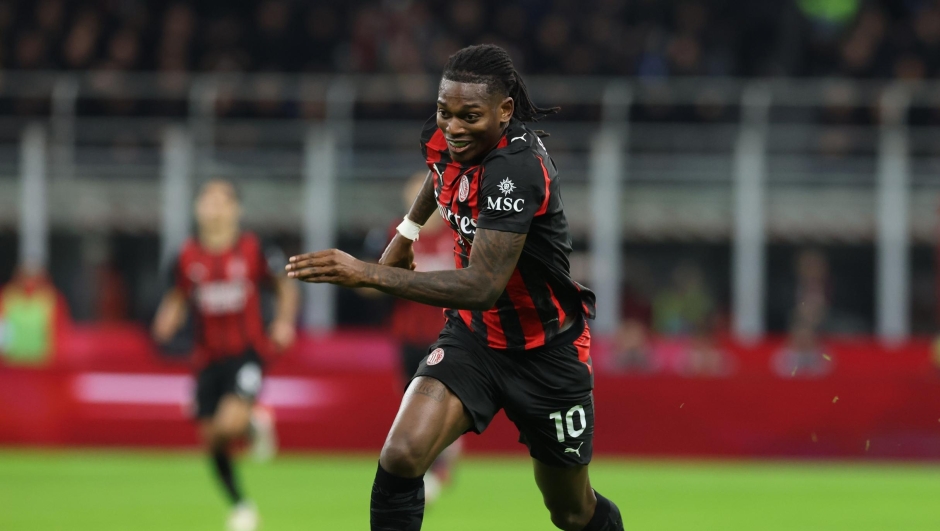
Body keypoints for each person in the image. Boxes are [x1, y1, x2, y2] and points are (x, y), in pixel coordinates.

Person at [287, 44, 624, 531]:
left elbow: (482, 285)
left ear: (504, 110)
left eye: (470, 116)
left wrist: (366, 273)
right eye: (444, 111)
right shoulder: (447, 135)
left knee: (571, 511)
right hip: (474, 339)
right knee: (402, 454)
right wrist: (407, 232)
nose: (453, 127)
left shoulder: (517, 170)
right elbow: (439, 169)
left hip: (547, 352)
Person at [152, 179, 299, 531]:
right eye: (208, 201)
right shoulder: (185, 256)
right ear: (197, 209)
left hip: (247, 353)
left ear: (236, 209)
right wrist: (167, 320)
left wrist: (283, 322)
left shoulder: (253, 249)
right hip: (206, 359)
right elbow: (178, 296)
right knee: (212, 439)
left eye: (221, 201)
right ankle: (241, 505)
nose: (214, 208)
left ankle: (249, 422)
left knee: (227, 424)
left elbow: (284, 286)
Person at [387, 171, 461, 504]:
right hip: (408, 334)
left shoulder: (455, 233)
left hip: (448, 333)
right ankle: (435, 461)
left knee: (437, 399)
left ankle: (436, 467)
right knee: (412, 402)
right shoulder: (398, 234)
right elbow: (378, 281)